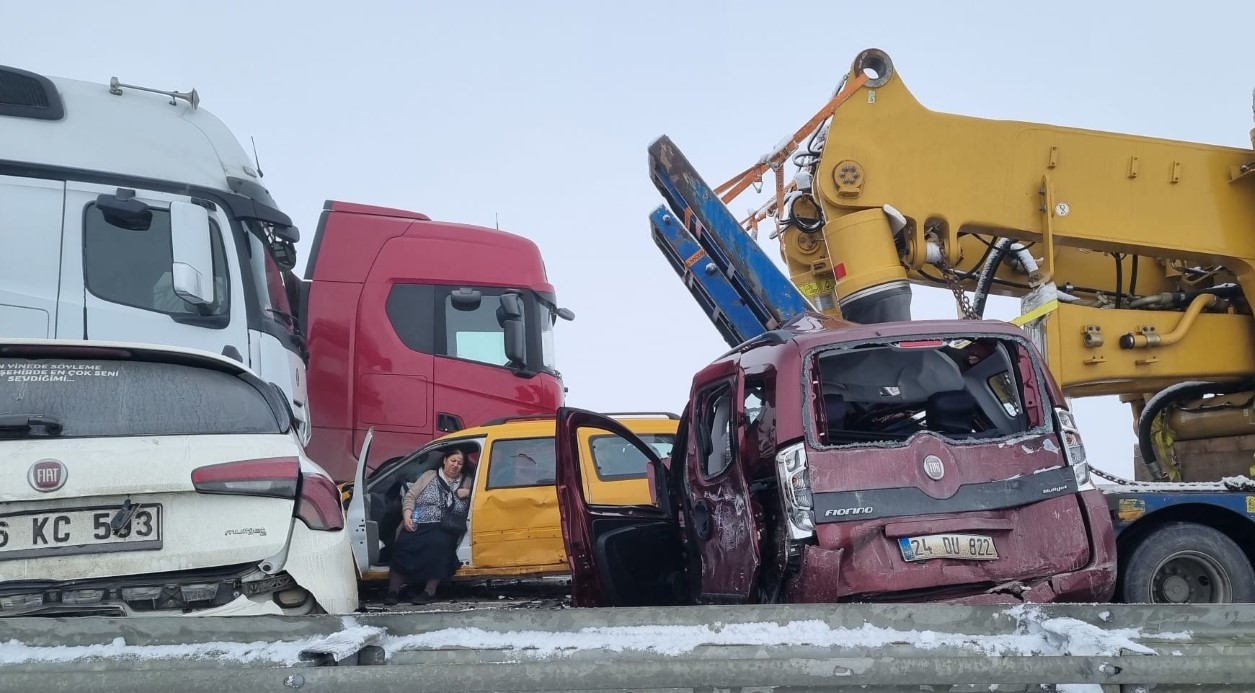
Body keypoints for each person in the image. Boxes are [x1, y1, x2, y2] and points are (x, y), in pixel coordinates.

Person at [385, 449, 472, 605]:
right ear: (445, 460)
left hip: (445, 527)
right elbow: (410, 497)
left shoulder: (467, 481)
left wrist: (468, 492)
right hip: (418, 522)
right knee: (403, 546)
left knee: (439, 545)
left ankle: (429, 592)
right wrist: (407, 516)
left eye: (460, 463)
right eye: (453, 460)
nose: (455, 465)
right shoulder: (429, 476)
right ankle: (393, 591)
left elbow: (481, 495)